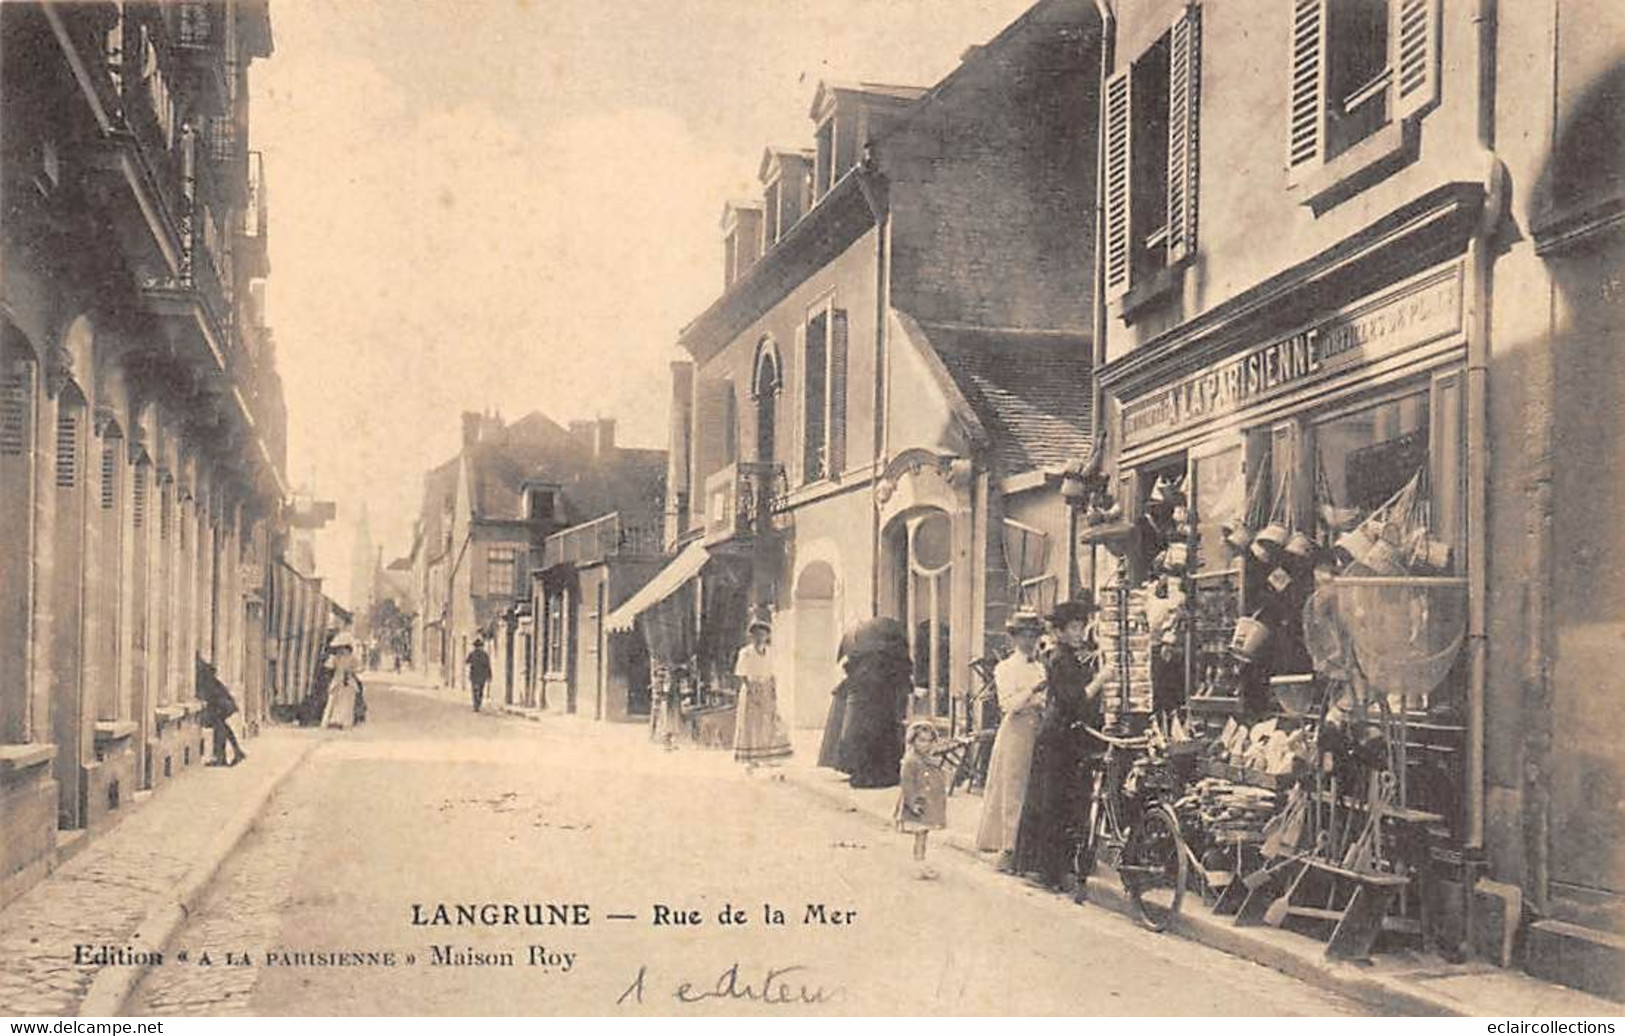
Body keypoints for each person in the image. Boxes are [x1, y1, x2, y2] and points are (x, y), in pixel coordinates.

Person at [1011, 599, 1108, 892]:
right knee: (1053, 804)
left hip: (1068, 738)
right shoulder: (1059, 659)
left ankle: (1058, 867)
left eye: (1081, 627)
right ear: (1061, 632)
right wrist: (1102, 678)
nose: (1080, 633)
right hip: (1057, 740)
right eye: (1075, 628)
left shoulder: (1072, 656)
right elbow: (1075, 700)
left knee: (1063, 803)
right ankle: (1047, 870)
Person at [975, 610, 1048, 870]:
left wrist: (1042, 700)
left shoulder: (1040, 666)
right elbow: (1008, 705)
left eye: (1034, 635)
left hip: (1038, 727)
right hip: (1017, 729)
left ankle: (1027, 849)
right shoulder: (1005, 668)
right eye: (1024, 636)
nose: (1029, 641)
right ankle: (1008, 847)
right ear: (1015, 638)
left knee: (1034, 787)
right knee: (1013, 786)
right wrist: (1032, 691)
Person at [837, 617, 912, 789]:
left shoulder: (858, 660)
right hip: (882, 708)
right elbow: (902, 681)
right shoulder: (891, 658)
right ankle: (882, 775)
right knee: (882, 739)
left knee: (865, 742)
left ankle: (863, 776)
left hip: (864, 710)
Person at [732, 612, 793, 770]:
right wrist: (752, 691)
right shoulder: (746, 652)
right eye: (757, 635)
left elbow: (772, 673)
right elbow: (742, 675)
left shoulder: (770, 652)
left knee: (769, 722)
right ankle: (751, 758)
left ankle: (768, 755)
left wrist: (774, 692)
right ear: (752, 637)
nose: (760, 638)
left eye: (763, 634)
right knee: (751, 723)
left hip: (766, 688)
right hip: (751, 688)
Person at [895, 721, 948, 879]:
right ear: (913, 741)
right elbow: (907, 785)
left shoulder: (929, 760)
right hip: (918, 805)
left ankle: (921, 862)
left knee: (923, 835)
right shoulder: (911, 761)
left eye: (929, 741)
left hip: (928, 805)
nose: (925, 745)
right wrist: (913, 803)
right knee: (920, 836)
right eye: (921, 740)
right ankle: (918, 864)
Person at [197, 658, 246, 767]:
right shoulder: (211, 679)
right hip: (222, 703)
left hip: (220, 704)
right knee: (223, 728)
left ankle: (223, 758)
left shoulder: (206, 679)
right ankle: (235, 753)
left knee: (220, 730)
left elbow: (209, 694)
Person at [322, 632, 362, 730]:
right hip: (338, 679)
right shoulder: (336, 658)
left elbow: (358, 668)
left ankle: (346, 722)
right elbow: (328, 667)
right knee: (333, 701)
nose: (342, 650)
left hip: (348, 681)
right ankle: (329, 721)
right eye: (340, 648)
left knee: (348, 702)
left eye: (344, 648)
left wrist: (350, 670)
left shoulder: (352, 658)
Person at [466, 637, 492, 712]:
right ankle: (477, 704)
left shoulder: (473, 654)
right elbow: (488, 666)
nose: (478, 648)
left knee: (476, 690)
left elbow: (467, 661)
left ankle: (476, 704)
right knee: (479, 690)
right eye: (477, 646)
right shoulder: (484, 655)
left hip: (475, 675)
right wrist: (489, 675)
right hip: (480, 676)